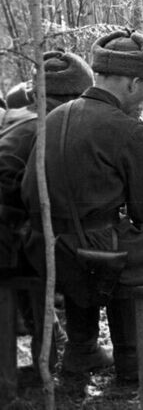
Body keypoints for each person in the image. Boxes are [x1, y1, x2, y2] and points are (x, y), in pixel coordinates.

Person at [21, 29, 143, 380]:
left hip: (46, 249)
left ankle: (82, 351)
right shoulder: (128, 129)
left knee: (122, 243)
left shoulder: (54, 117)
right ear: (131, 82)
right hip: (98, 255)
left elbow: (27, 191)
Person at [0, 50, 93, 369]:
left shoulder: (23, 117)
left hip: (10, 238)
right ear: (73, 96)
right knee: (81, 253)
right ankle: (69, 348)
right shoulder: (46, 127)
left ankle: (56, 344)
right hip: (8, 246)